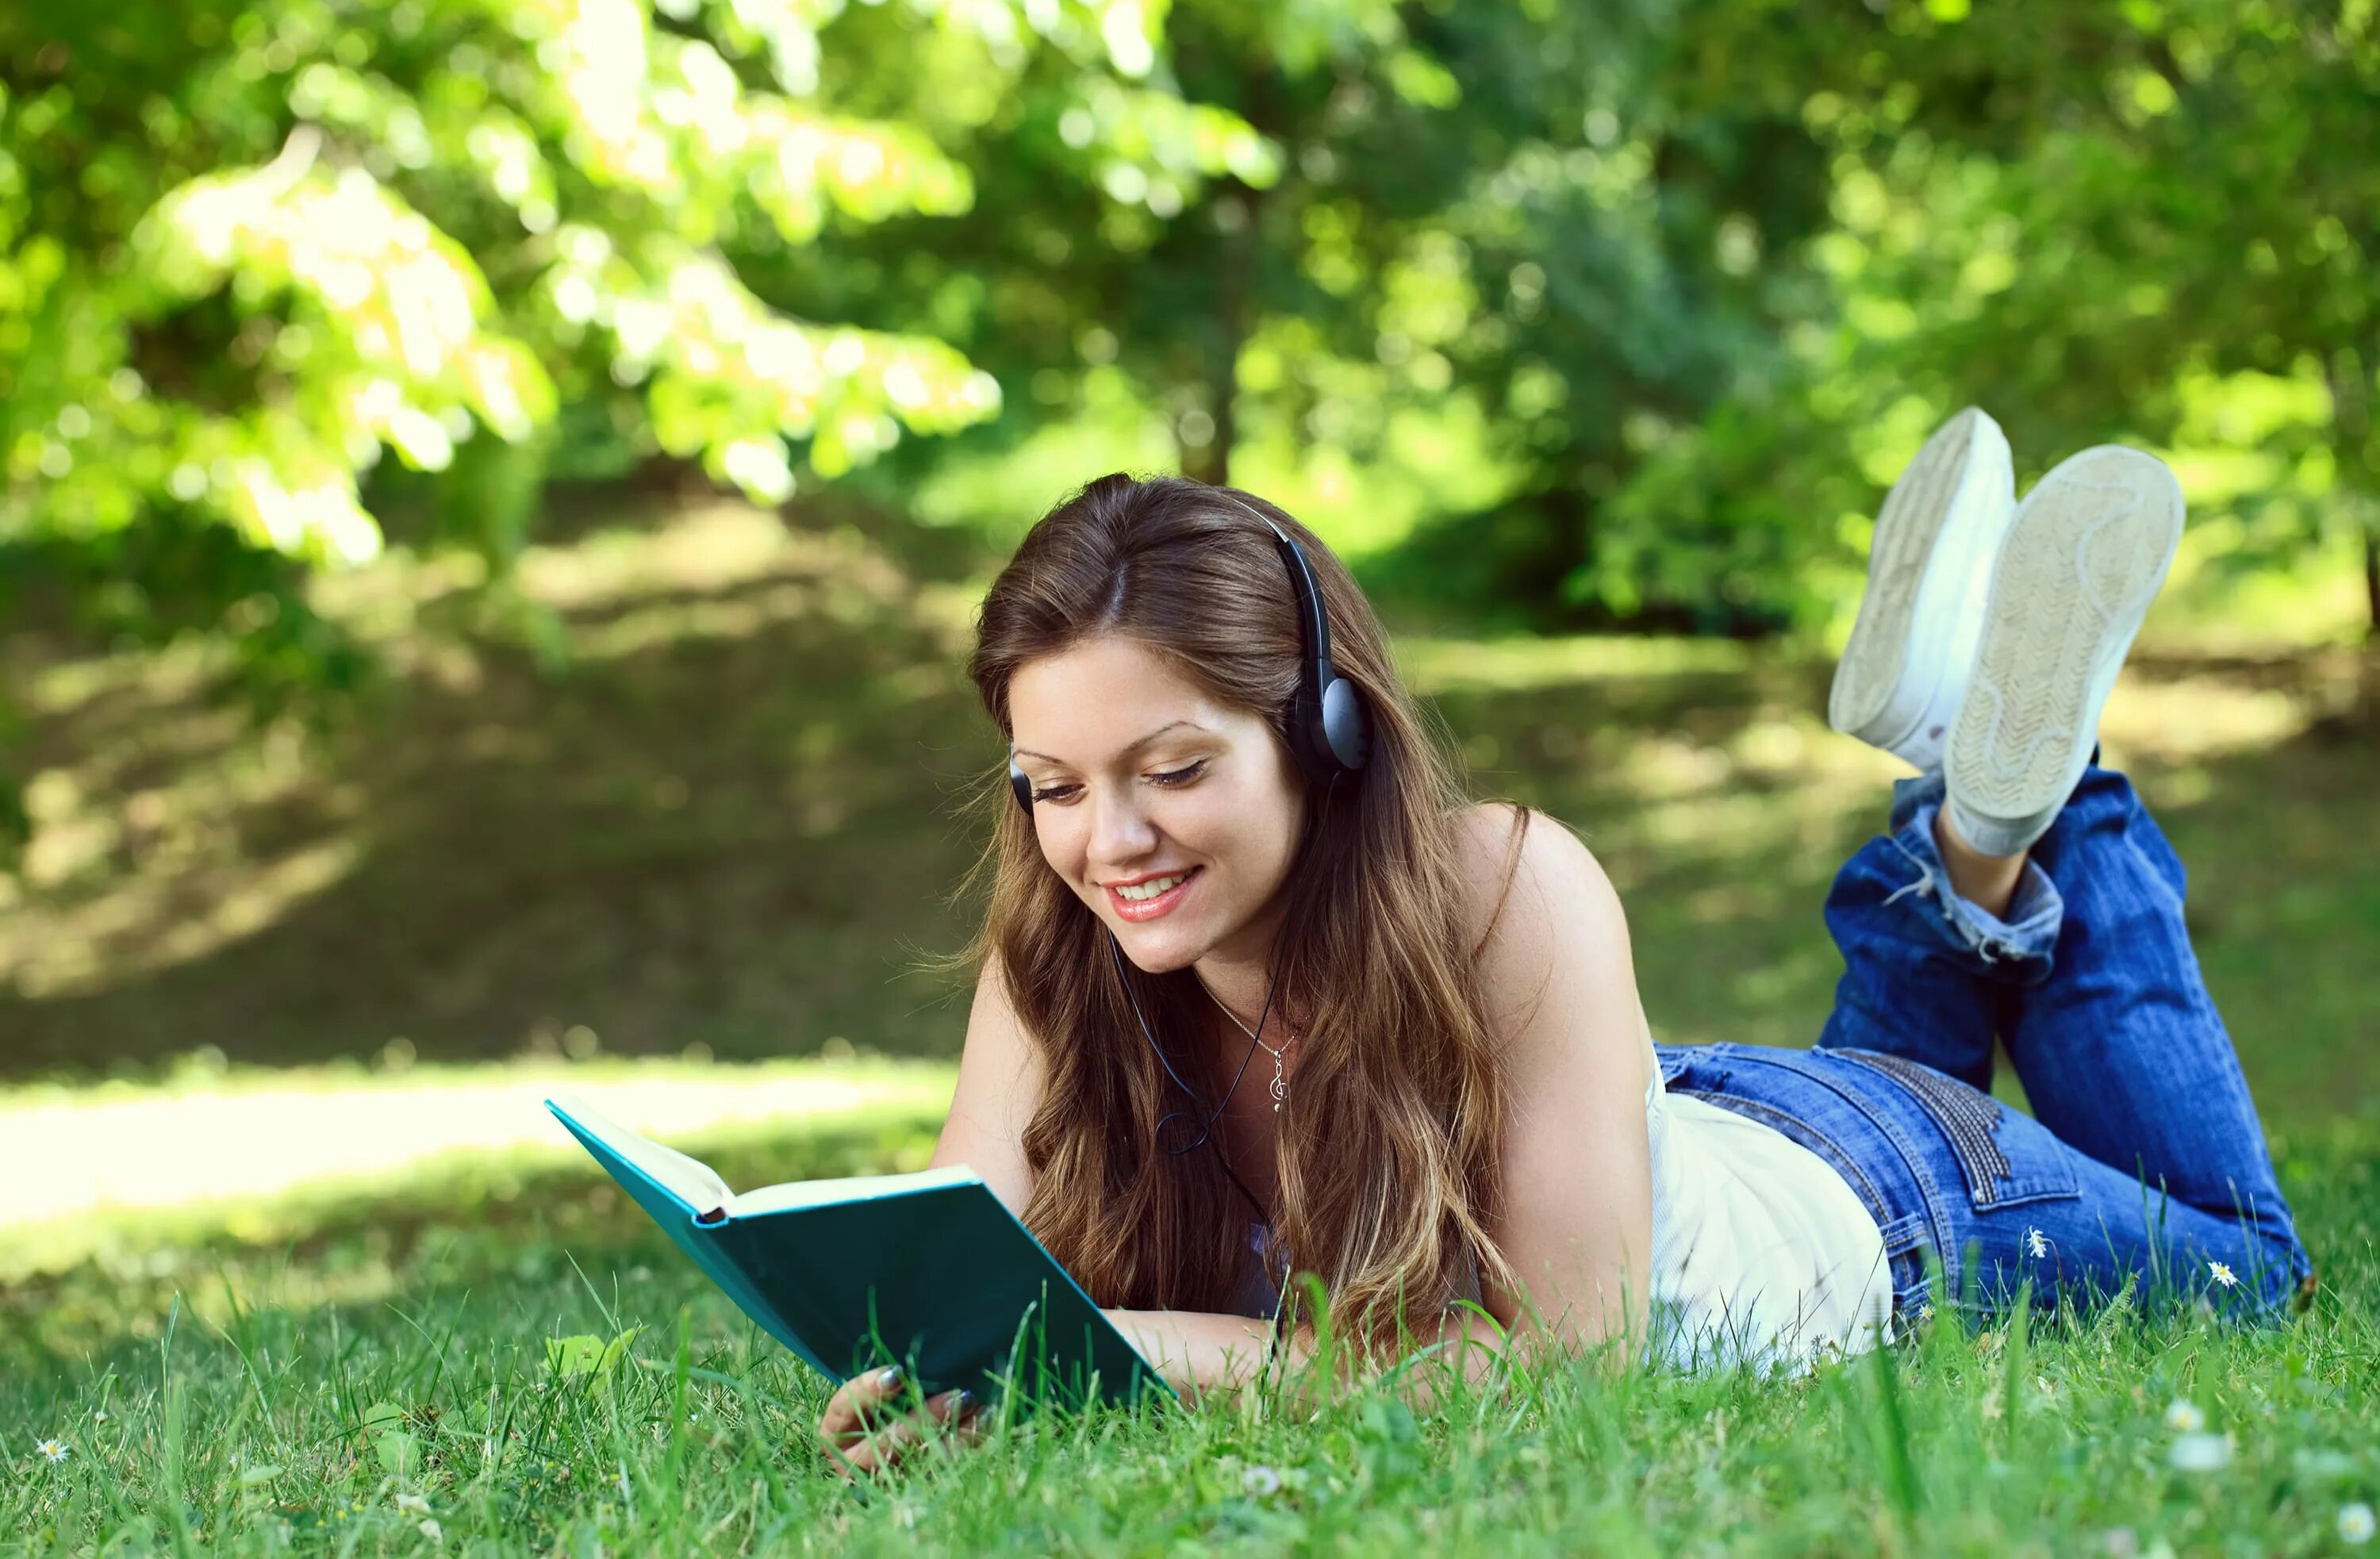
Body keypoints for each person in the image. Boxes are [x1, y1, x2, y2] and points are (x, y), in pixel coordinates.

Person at [817, 416, 2314, 1472]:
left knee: (2253, 1270)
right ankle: (1957, 786)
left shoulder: (1502, 883)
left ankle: (2055, 799)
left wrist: (1137, 1353)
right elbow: (949, 1289)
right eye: (1057, 788)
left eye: (1175, 770)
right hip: (1666, 1128)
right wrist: (909, 1384)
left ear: (1325, 732)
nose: (1110, 844)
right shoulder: (1060, 953)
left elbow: (1560, 1368)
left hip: (1878, 1200)